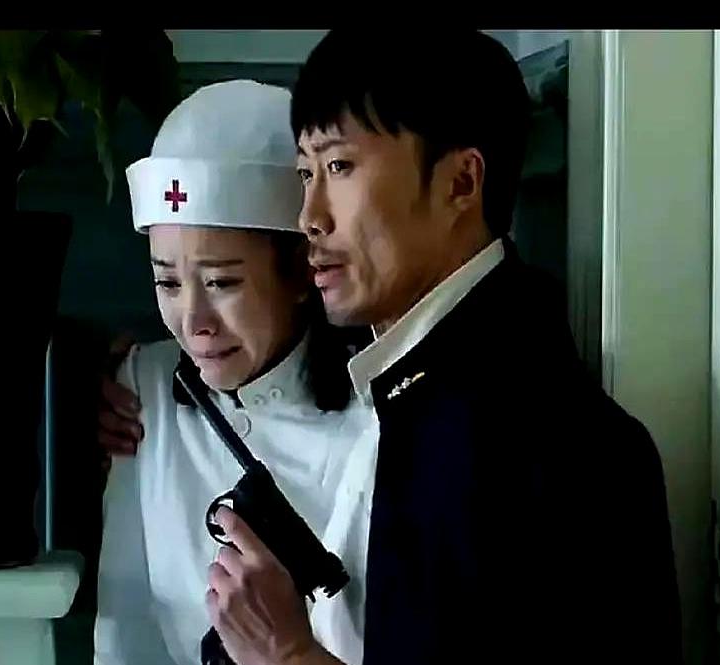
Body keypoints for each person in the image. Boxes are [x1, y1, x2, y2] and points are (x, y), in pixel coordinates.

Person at [193, 30, 684, 665]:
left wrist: (288, 656)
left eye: (340, 167)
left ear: (459, 183)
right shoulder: (388, 379)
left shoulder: (563, 445)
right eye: (305, 173)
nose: (309, 216)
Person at [92, 79, 372, 665]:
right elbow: (127, 626)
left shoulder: (376, 419)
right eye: (167, 282)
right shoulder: (143, 390)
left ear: (302, 272)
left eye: (222, 282)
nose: (193, 322)